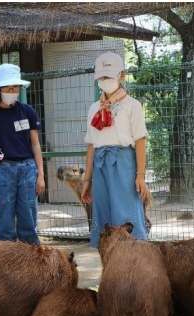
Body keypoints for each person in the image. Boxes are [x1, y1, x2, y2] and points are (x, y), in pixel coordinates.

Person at [81, 52, 150, 248]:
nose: (105, 81)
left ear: (121, 75)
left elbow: (140, 141)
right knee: (103, 215)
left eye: (109, 76)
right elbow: (91, 145)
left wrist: (140, 175)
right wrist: (87, 179)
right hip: (100, 165)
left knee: (126, 214)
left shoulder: (132, 105)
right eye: (101, 77)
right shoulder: (94, 108)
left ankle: (135, 263)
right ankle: (110, 268)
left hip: (124, 164)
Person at [0, 64, 45, 244]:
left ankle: (33, 264)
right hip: (1, 171)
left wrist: (41, 175)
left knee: (29, 220)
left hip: (28, 169)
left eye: (15, 86)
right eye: (7, 86)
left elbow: (36, 144)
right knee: (4, 224)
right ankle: (5, 265)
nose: (11, 90)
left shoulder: (27, 111)